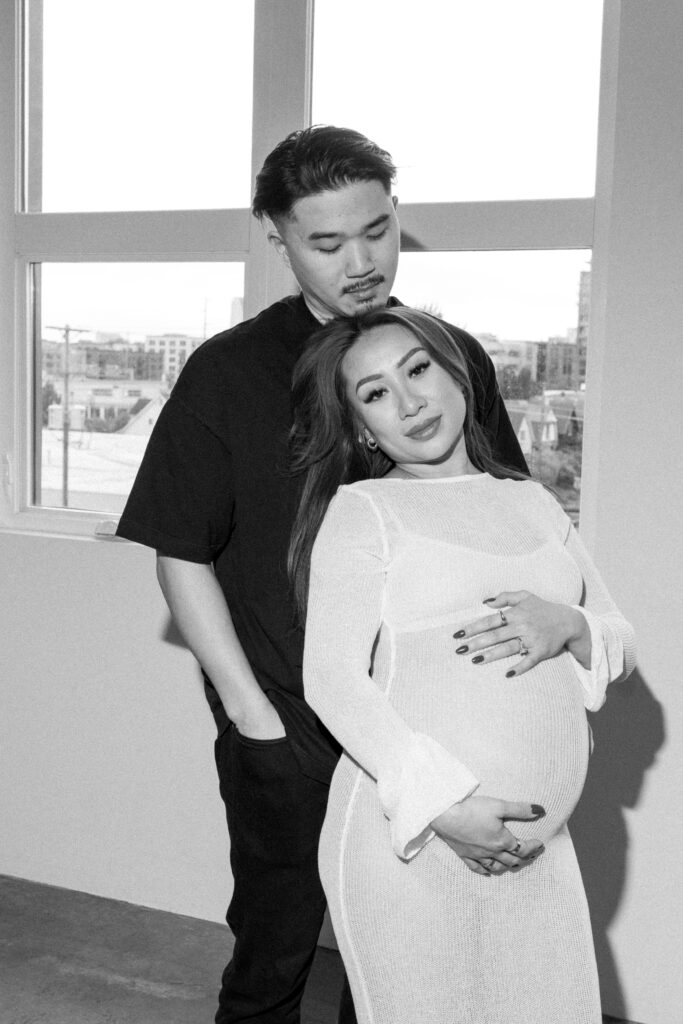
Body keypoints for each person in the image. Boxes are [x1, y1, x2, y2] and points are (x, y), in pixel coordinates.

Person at [117, 126, 547, 1024]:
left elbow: (495, 513)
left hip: (428, 717)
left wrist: (554, 621)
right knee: (274, 950)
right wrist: (252, 715)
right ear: (276, 237)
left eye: (378, 230)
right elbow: (181, 553)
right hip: (288, 721)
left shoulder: (446, 355)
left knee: (406, 955)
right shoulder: (226, 373)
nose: (361, 261)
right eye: (325, 242)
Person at [288, 305, 636, 1024]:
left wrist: (567, 622)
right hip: (412, 841)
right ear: (360, 427)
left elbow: (617, 638)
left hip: (536, 849)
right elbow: (329, 678)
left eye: (417, 370)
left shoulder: (533, 501)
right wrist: (443, 807)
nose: (408, 401)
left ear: (458, 376)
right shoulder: (366, 510)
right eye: (375, 392)